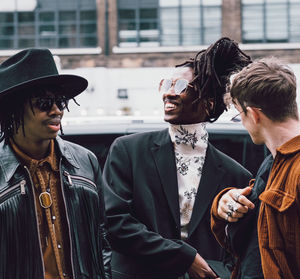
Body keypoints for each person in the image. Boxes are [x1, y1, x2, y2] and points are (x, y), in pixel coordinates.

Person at [102, 37, 252, 279]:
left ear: (208, 102)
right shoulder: (128, 151)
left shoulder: (236, 175)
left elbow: (237, 248)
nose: (169, 94)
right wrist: (185, 257)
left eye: (181, 86)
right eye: (167, 84)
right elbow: (115, 224)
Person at [0, 48, 111, 279]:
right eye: (44, 103)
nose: (57, 110)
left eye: (61, 101)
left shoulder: (84, 160)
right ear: (14, 110)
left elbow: (104, 236)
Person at [211, 57, 300, 279]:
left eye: (238, 115)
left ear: (253, 114)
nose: (241, 122)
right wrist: (224, 204)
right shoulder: (273, 162)